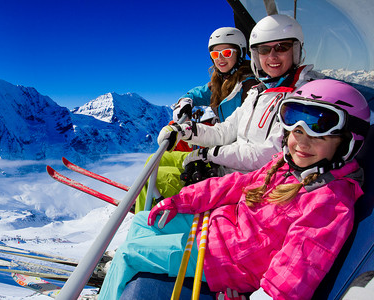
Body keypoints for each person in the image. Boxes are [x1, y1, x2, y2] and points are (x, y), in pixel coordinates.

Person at [100, 79, 369, 300]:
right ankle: (119, 281)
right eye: (296, 131)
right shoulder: (286, 165)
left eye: (318, 134)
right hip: (221, 232)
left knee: (129, 254)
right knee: (142, 220)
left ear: (346, 142)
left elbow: (297, 271)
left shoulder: (329, 201)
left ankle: (116, 282)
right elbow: (237, 184)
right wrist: (183, 200)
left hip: (229, 262)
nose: (301, 143)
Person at [139, 15, 323, 212]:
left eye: (282, 47)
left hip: (242, 176)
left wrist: (208, 154)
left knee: (153, 177)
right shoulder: (259, 91)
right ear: (256, 55)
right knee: (154, 162)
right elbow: (225, 130)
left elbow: (268, 155)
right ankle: (148, 211)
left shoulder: (299, 98)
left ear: (296, 51)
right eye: (264, 50)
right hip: (226, 161)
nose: (272, 57)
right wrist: (185, 130)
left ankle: (149, 223)